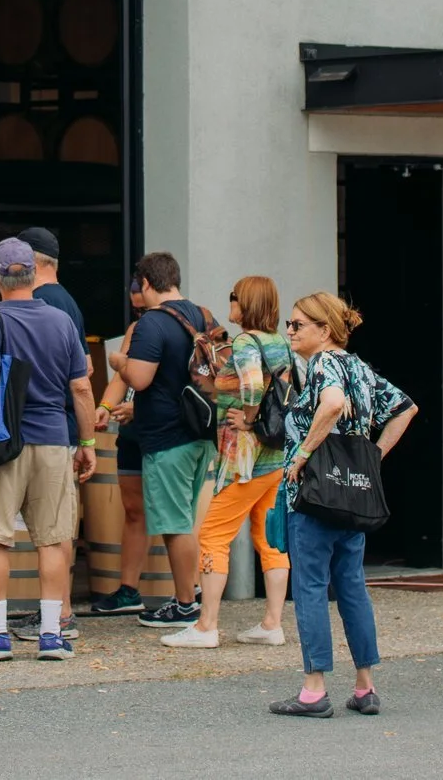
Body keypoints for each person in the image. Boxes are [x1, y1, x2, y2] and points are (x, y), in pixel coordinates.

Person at [271, 292, 416, 718]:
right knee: (352, 585)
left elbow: (332, 404)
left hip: (314, 493)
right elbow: (406, 408)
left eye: (298, 325)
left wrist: (302, 456)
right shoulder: (361, 369)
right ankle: (365, 686)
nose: (291, 331)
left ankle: (314, 690)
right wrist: (372, 457)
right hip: (352, 494)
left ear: (325, 331)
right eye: (290, 324)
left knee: (311, 585)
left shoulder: (323, 365)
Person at [0, 238, 98, 661]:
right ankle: (52, 634)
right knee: (52, 541)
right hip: (54, 440)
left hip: (5, 445)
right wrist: (86, 442)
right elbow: (82, 387)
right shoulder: (61, 322)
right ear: (33, 274)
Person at [162, 275, 293, 649]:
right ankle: (272, 623)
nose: (230, 304)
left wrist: (249, 418)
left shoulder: (246, 343)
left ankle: (206, 627)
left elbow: (252, 385)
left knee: (213, 536)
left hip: (244, 460)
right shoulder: (280, 342)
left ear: (245, 303)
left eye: (233, 298)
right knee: (270, 540)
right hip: (275, 458)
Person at [120, 251, 215, 629]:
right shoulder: (203, 315)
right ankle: (190, 598)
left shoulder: (151, 324)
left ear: (145, 283)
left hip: (167, 437)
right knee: (186, 517)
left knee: (175, 524)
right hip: (201, 431)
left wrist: (119, 364)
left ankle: (185, 603)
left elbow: (140, 379)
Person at [89, 274, 153, 617]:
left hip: (165, 430)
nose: (139, 312)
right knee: (133, 509)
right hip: (130, 431)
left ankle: (190, 593)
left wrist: (139, 407)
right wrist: (105, 407)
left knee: (176, 514)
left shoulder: (191, 321)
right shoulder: (135, 330)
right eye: (136, 308)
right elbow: (121, 378)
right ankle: (129, 589)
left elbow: (186, 383)